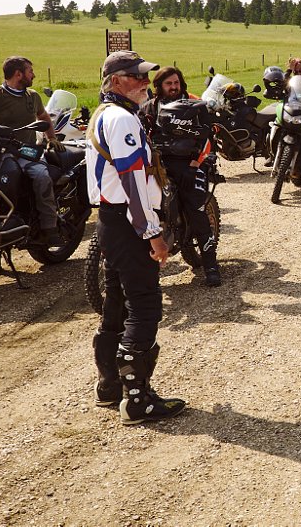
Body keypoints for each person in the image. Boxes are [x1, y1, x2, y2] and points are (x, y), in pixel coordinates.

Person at [86, 50, 186, 425]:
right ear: (115, 82)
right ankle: (138, 400)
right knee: (144, 306)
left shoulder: (106, 114)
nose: (145, 82)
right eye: (136, 77)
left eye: (146, 76)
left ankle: (110, 385)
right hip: (128, 222)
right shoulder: (122, 119)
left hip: (111, 221)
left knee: (117, 303)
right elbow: (131, 181)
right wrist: (153, 233)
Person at [0, 56, 64, 277]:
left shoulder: (32, 96)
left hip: (26, 151)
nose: (33, 75)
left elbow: (43, 117)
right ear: (18, 74)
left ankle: (50, 229)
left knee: (42, 176)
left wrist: (51, 138)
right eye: (30, 71)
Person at [141, 66, 221, 287]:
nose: (173, 87)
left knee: (195, 209)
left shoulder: (195, 105)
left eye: (176, 83)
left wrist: (194, 165)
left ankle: (211, 266)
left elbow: (208, 137)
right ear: (159, 87)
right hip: (158, 165)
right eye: (169, 84)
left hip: (191, 164)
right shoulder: (149, 108)